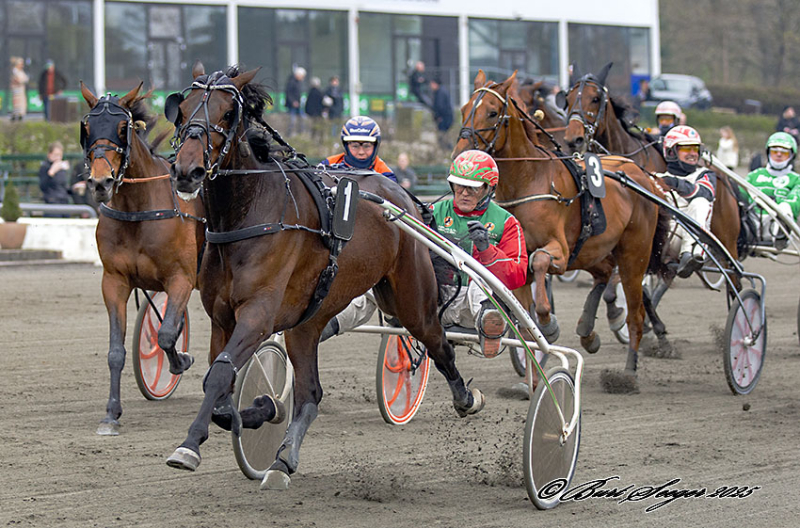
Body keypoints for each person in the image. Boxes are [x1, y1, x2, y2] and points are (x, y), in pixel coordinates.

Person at [320, 150, 528, 358]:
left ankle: (489, 322)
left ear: (488, 188)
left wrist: (486, 250)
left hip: (470, 307)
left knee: (479, 278)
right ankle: (327, 325)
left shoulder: (506, 223)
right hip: (431, 300)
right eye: (459, 185)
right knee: (375, 282)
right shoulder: (432, 211)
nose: (464, 192)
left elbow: (518, 275)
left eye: (472, 188)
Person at [657, 125, 717, 278]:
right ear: (671, 152)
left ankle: (693, 256)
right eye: (686, 149)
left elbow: (706, 193)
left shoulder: (705, 175)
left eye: (695, 149)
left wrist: (675, 183)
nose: (692, 154)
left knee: (701, 202)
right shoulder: (657, 177)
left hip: (687, 236)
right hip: (659, 237)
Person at [744, 132, 800, 249]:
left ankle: (780, 237)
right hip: (751, 220)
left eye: (784, 153)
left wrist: (777, 204)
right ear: (769, 153)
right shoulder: (754, 175)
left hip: (776, 222)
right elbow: (739, 194)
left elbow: (795, 200)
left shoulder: (796, 179)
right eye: (775, 151)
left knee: (786, 206)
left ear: (791, 156)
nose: (778, 155)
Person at [320, 116, 396, 182]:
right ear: (346, 146)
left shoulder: (386, 175)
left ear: (376, 146)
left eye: (367, 146)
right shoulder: (327, 165)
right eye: (355, 146)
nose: (361, 152)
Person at [38, 141, 71, 214]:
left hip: (64, 201)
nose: (58, 158)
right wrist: (51, 172)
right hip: (51, 201)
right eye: (56, 155)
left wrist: (74, 188)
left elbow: (64, 187)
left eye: (60, 155)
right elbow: (43, 186)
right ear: (49, 155)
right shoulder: (45, 167)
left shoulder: (62, 169)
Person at [430, 78, 454, 152]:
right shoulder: (442, 91)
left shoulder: (440, 93)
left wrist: (439, 116)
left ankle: (446, 150)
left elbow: (440, 106)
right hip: (446, 118)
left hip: (444, 118)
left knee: (443, 136)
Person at [284, 66, 306, 136]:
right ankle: (289, 134)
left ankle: (300, 133)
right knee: (292, 120)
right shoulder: (291, 82)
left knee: (301, 119)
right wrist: (293, 101)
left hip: (298, 104)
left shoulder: (298, 82)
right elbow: (288, 93)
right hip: (292, 105)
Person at [305, 76, 325, 143]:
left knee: (313, 128)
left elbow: (308, 104)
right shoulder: (319, 92)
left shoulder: (310, 92)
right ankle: (320, 140)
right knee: (320, 127)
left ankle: (312, 139)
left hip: (312, 113)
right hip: (318, 113)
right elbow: (322, 103)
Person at [9, 57, 29, 122]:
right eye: (21, 64)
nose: (22, 66)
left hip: (21, 90)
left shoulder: (20, 71)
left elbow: (25, 79)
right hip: (17, 90)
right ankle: (15, 115)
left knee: (21, 103)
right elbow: (18, 80)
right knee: (17, 103)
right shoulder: (14, 71)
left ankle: (20, 115)